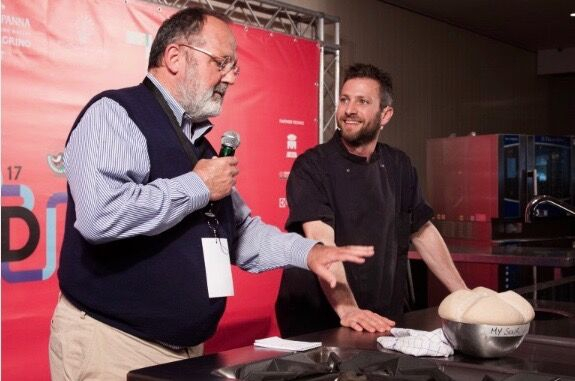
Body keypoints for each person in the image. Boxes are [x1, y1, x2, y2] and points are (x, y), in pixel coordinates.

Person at [48, 8, 375, 380]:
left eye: (234, 66)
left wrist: (310, 253)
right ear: (174, 57)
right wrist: (197, 186)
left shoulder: (200, 149)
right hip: (112, 345)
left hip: (184, 352)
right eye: (222, 63)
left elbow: (242, 232)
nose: (231, 77)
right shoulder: (116, 114)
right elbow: (100, 215)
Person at [275, 63, 468, 338]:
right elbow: (321, 241)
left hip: (379, 317)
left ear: (385, 114)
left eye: (362, 101)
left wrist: (465, 296)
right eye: (344, 99)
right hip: (318, 321)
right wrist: (348, 309)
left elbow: (423, 231)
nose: (349, 109)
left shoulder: (398, 164)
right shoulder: (311, 166)